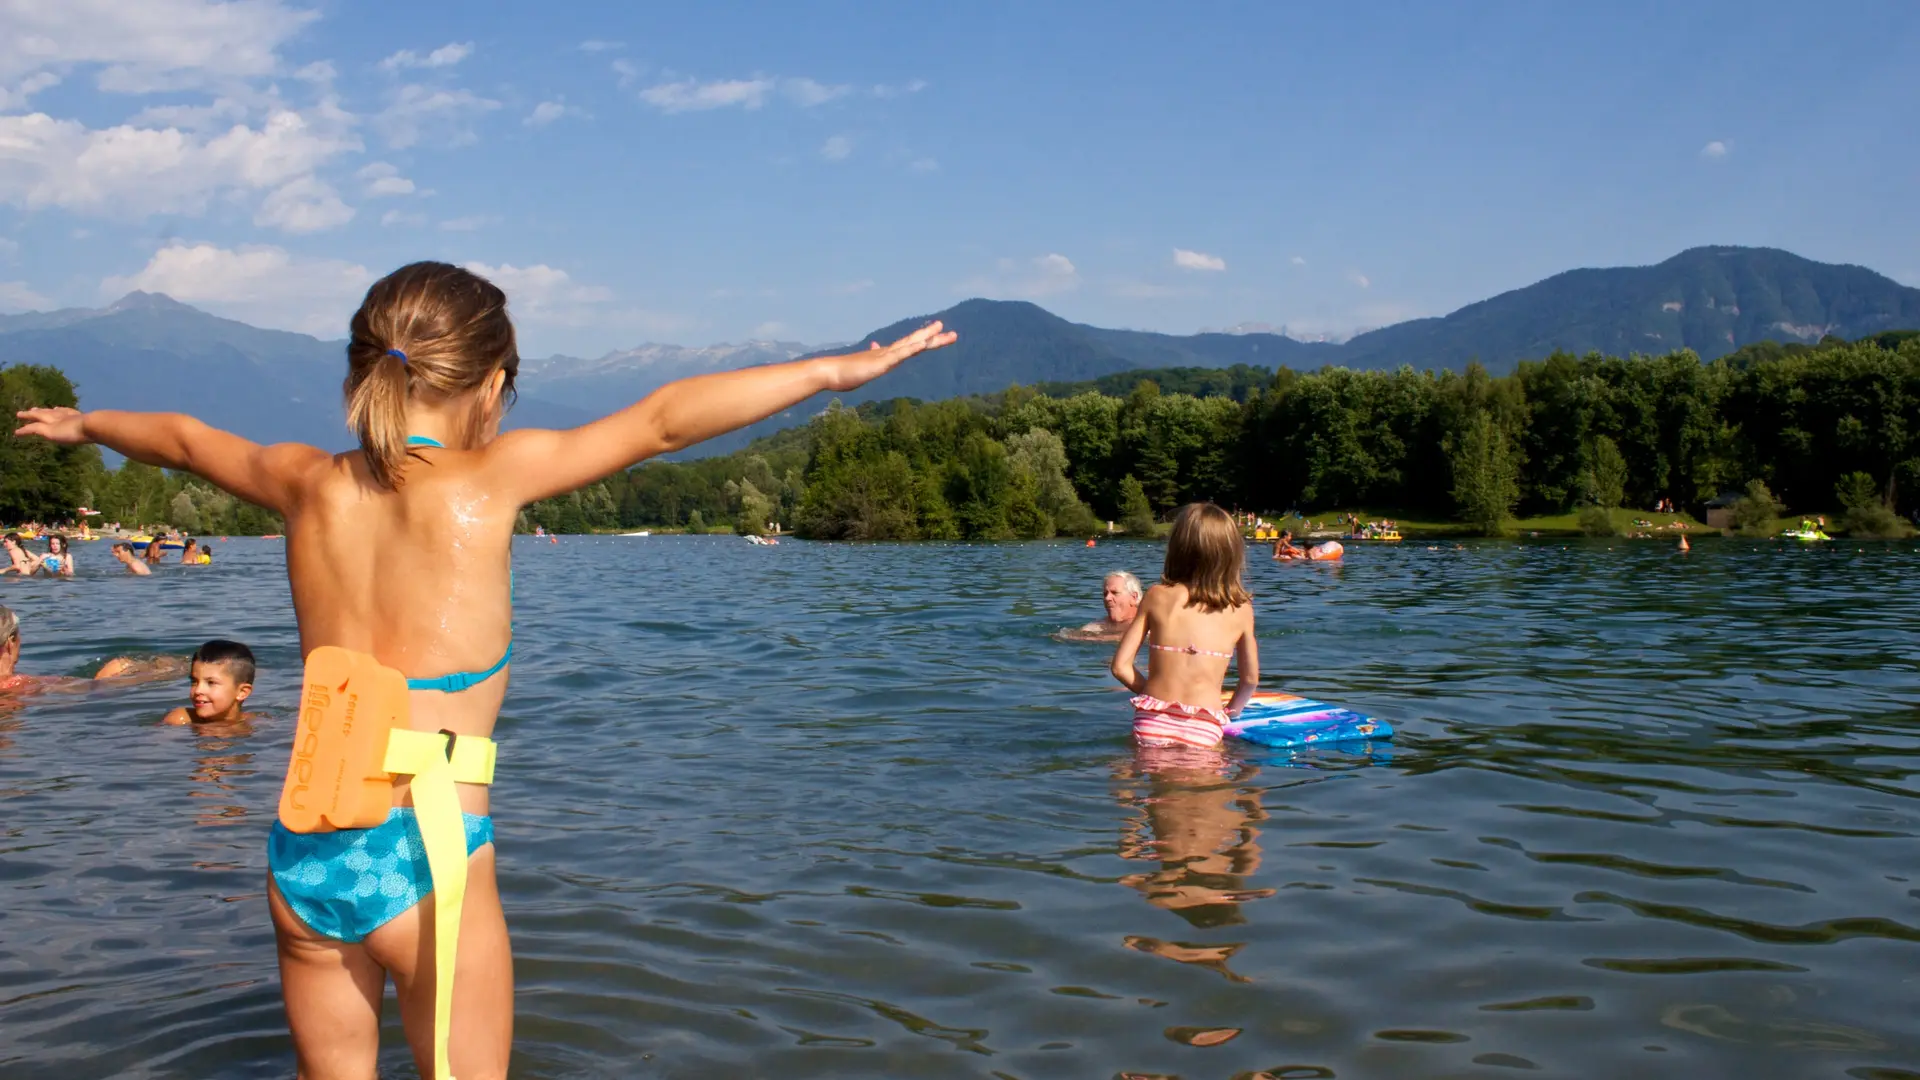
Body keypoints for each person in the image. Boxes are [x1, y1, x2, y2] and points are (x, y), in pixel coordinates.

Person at [14, 259, 955, 1080]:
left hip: (306, 848)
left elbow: (180, 437)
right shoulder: (496, 479)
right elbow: (666, 421)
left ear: (363, 373)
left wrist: (88, 422)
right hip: (428, 859)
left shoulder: (301, 481)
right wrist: (841, 369)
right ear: (492, 382)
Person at [1111, 503, 1260, 749]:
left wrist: (1152, 695)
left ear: (1178, 548)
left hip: (1151, 722)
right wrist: (1230, 713)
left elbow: (1120, 667)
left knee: (1151, 781)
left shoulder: (1157, 595)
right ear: (1231, 553)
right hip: (1203, 727)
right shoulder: (1241, 609)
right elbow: (1250, 679)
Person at [163, 640, 256, 726]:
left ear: (242, 692)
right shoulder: (180, 719)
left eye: (211, 682)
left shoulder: (254, 724)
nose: (198, 690)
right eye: (194, 681)